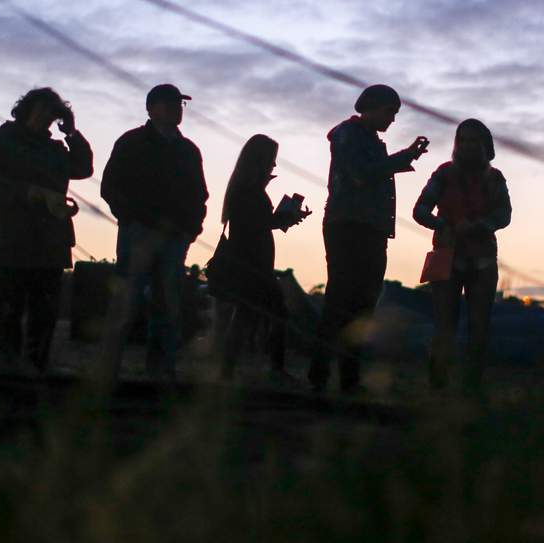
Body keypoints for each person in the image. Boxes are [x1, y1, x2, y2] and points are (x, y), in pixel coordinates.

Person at [308, 84, 429, 393]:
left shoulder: (369, 140)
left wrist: (402, 158)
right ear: (373, 107)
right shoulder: (349, 134)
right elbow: (360, 174)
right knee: (341, 300)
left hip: (370, 228)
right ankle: (321, 373)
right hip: (349, 226)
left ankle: (346, 377)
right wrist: (403, 158)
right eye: (390, 112)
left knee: (362, 305)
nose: (392, 119)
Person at [0, 87, 93, 373]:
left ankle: (38, 368)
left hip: (50, 243)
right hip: (9, 242)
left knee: (45, 314)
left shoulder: (56, 150)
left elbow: (84, 167)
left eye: (52, 113)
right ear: (25, 109)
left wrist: (73, 133)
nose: (45, 117)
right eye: (41, 110)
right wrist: (32, 193)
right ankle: (4, 369)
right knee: (8, 312)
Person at [99, 84, 208, 383]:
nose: (176, 108)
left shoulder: (188, 151)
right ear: (151, 108)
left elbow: (200, 195)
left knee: (167, 306)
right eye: (169, 103)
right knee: (126, 301)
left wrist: (190, 230)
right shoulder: (131, 143)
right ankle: (108, 371)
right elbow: (110, 188)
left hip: (175, 240)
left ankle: (161, 372)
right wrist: (135, 220)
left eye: (179, 104)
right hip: (139, 235)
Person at [412, 119, 511, 391]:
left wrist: (479, 226)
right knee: (444, 325)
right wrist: (443, 226)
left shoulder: (495, 178)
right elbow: (420, 210)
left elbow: (504, 215)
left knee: (479, 327)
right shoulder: (443, 174)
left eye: (473, 141)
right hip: (447, 258)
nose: (467, 146)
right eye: (462, 140)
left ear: (484, 146)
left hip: (483, 261)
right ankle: (438, 386)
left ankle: (471, 388)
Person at [216, 134, 311, 380]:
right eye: (271, 159)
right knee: (275, 313)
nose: (274, 165)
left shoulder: (245, 189)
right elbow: (256, 223)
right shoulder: (249, 191)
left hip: (251, 260)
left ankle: (230, 369)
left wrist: (283, 219)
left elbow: (256, 222)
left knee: (248, 315)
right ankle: (275, 369)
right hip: (253, 262)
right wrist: (283, 219)